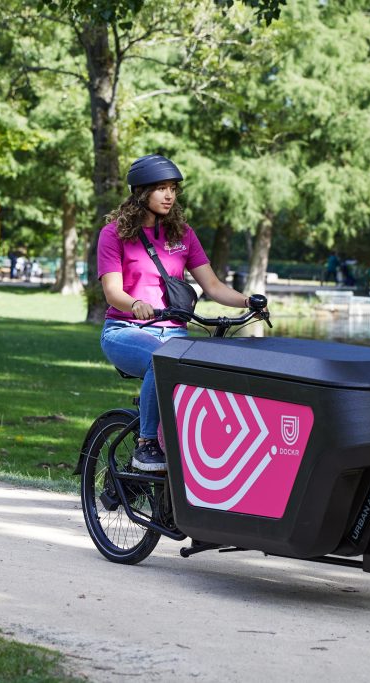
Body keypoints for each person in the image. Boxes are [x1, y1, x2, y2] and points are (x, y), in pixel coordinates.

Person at [98, 154, 255, 473]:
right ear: (141, 192)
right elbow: (113, 292)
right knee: (163, 359)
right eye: (161, 189)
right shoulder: (114, 235)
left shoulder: (182, 234)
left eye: (173, 189)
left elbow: (212, 285)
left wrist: (248, 302)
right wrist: (134, 304)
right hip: (125, 330)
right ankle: (146, 445)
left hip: (174, 332)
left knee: (213, 371)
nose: (169, 195)